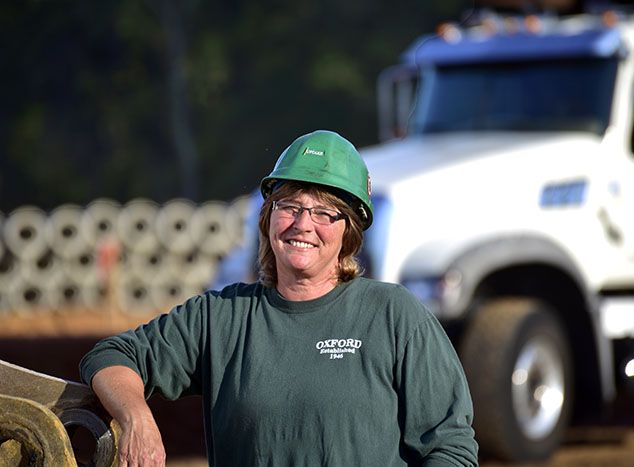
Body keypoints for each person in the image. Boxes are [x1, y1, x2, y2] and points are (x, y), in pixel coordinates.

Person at [80, 130, 479, 466]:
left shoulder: (395, 316)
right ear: (269, 217)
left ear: (349, 231)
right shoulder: (222, 316)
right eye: (289, 207)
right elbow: (111, 357)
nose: (303, 224)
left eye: (325, 213)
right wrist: (136, 417)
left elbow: (450, 448)